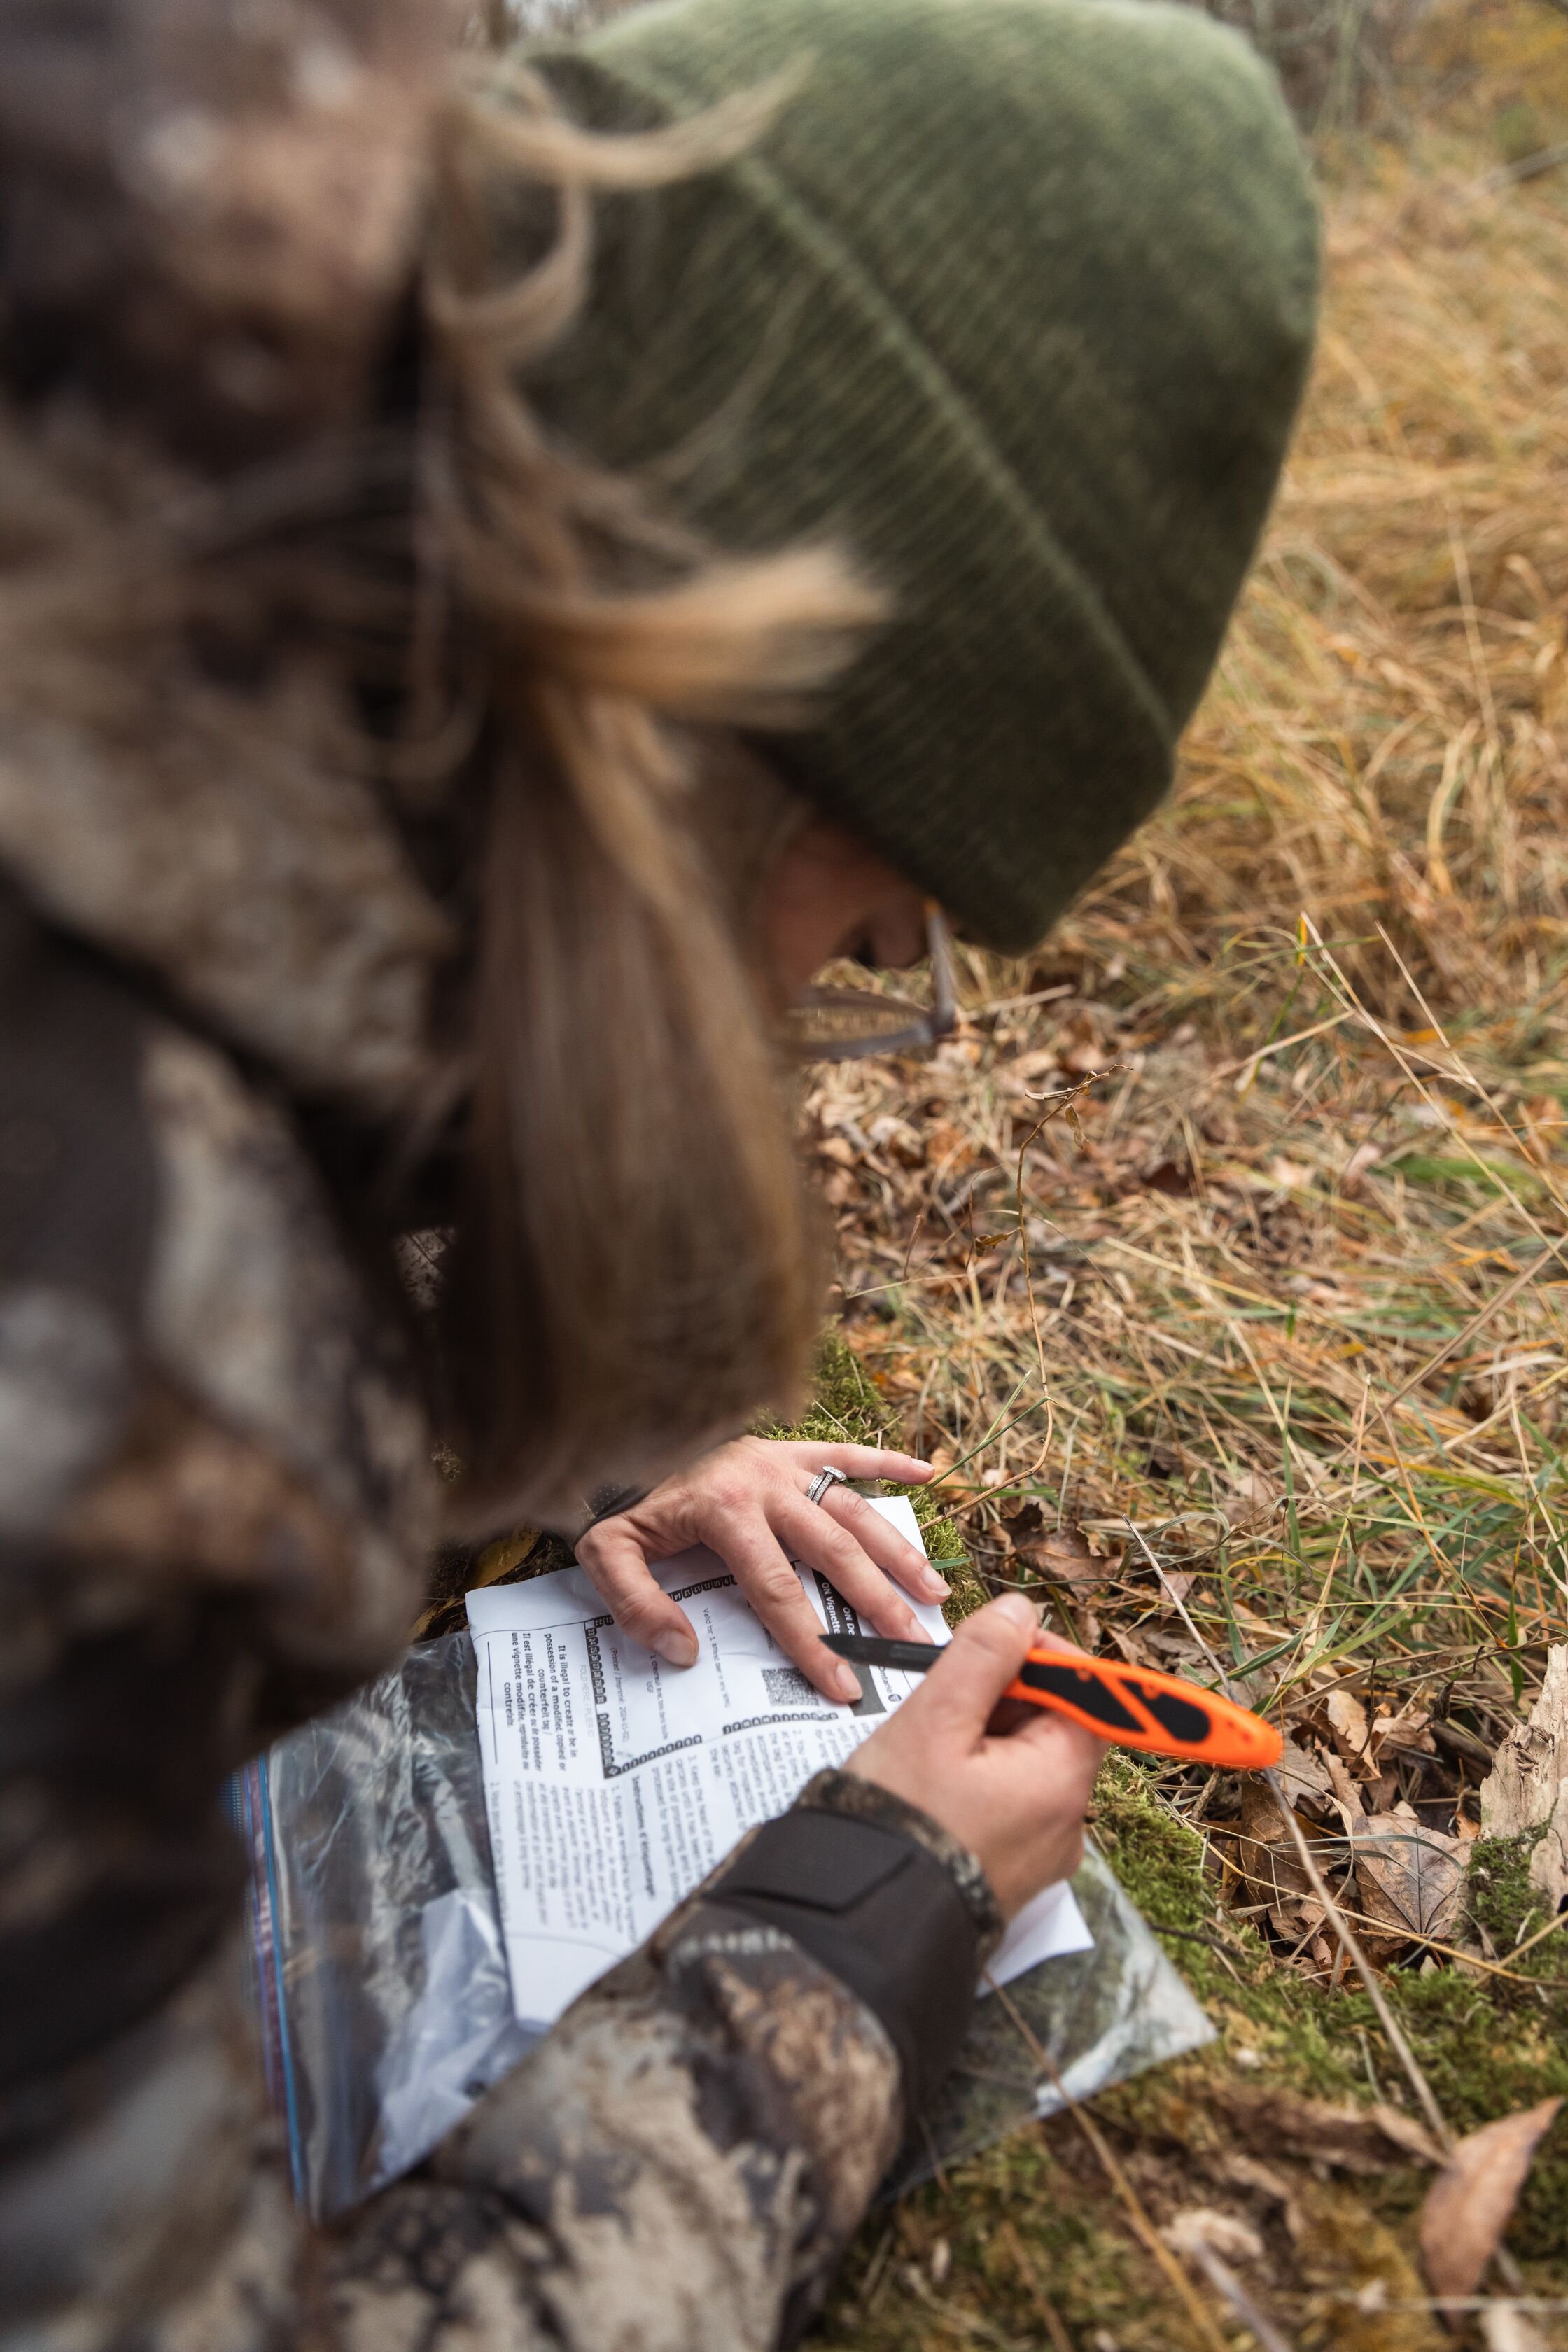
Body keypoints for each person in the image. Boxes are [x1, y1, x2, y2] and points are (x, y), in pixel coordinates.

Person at [0, 0, 1317, 2346]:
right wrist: (840, 1945)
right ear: (694, 730)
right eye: (874, 910)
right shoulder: (93, 1346)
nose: (837, 986)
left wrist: (523, 1389)